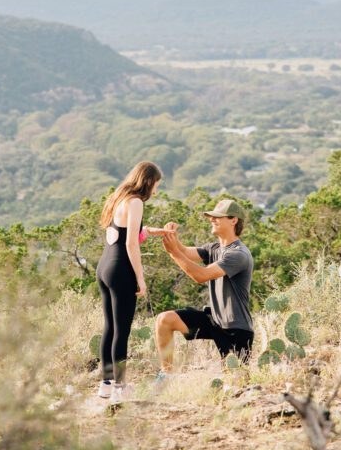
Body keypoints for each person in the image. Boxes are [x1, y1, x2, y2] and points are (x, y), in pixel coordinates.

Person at [155, 199, 254, 373]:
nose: (211, 220)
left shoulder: (238, 254)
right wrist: (172, 238)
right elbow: (184, 252)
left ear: (233, 220)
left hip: (236, 329)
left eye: (217, 217)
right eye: (211, 217)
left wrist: (173, 252)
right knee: (165, 320)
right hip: (214, 321)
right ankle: (166, 375)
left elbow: (200, 276)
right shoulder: (214, 248)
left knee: (235, 382)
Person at [95, 161, 164, 402]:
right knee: (121, 331)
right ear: (148, 181)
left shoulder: (120, 197)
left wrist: (157, 232)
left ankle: (106, 384)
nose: (156, 190)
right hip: (120, 270)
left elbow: (127, 231)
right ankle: (120, 388)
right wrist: (140, 278)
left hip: (104, 267)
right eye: (156, 185)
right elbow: (131, 243)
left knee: (110, 328)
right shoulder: (136, 202)